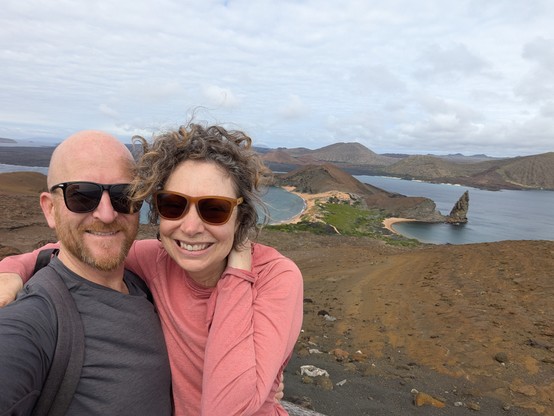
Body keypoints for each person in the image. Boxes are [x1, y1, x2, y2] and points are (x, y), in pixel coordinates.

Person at [0, 123, 304, 415]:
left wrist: (237, 274)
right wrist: (13, 269)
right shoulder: (158, 261)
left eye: (215, 209)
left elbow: (226, 410)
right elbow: (82, 247)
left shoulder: (275, 277)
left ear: (241, 216)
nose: (191, 227)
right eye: (174, 205)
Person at [0, 131, 172, 415]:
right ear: (50, 209)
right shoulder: (36, 318)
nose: (106, 215)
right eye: (81, 196)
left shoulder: (147, 280)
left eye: (123, 196)